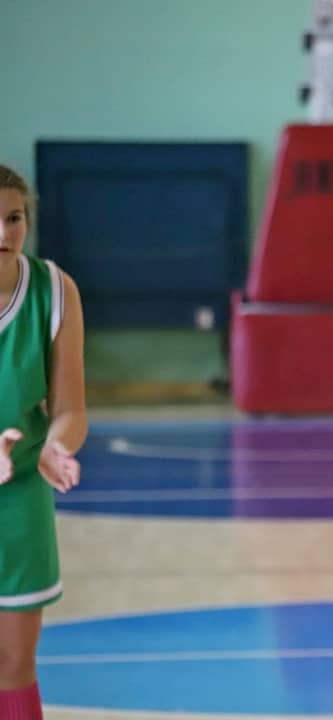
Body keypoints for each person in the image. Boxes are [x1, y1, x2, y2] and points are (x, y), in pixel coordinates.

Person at [0, 164, 87, 720]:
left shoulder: (54, 290)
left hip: (20, 493)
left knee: (14, 664)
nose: (4, 232)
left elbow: (70, 407)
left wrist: (57, 446)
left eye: (14, 218)